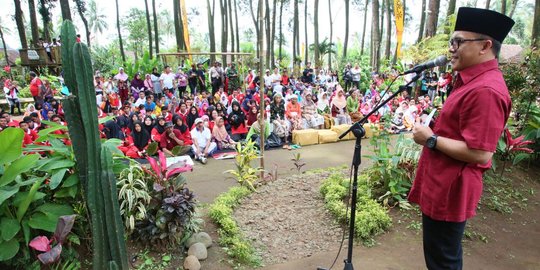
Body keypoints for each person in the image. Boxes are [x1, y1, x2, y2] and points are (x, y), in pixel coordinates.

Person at [409, 7, 514, 270]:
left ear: (485, 46)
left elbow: (481, 153)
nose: (451, 49)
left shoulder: (486, 90)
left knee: (443, 260)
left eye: (458, 41)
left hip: (451, 189)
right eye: (451, 42)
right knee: (439, 256)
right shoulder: (470, 81)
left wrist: (431, 139)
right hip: (441, 183)